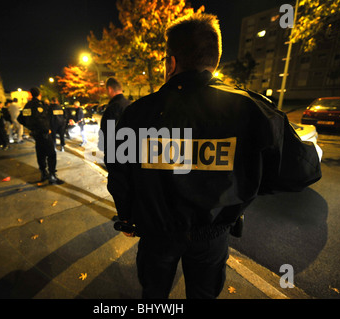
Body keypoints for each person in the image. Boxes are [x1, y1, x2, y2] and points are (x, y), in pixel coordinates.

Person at [106, 14, 321, 299]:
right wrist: (247, 181)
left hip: (156, 235)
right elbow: (303, 170)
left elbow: (119, 174)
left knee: (154, 294)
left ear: (171, 63)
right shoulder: (249, 109)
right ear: (215, 60)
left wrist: (127, 216)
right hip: (212, 236)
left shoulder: (136, 113)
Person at [17, 87, 64, 185]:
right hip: (45, 134)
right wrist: (47, 129)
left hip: (36, 134)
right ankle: (52, 175)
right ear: (40, 94)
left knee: (40, 153)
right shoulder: (41, 105)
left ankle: (43, 173)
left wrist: (30, 127)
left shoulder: (27, 106)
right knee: (51, 154)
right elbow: (42, 120)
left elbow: (20, 119)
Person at [98, 77, 131, 164]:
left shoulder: (111, 109)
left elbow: (107, 136)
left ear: (109, 89)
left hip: (116, 158)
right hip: (132, 156)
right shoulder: (131, 105)